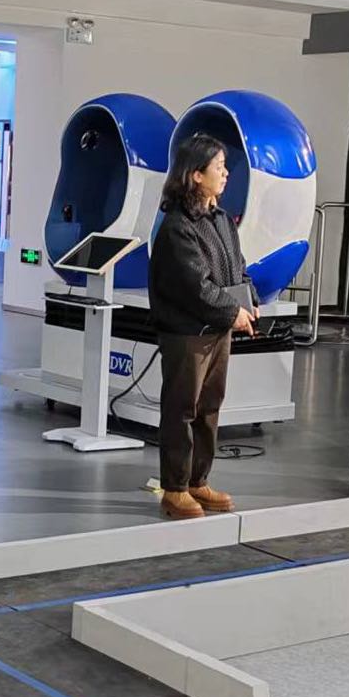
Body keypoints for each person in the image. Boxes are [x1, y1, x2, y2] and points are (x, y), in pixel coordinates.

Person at [149, 134, 259, 519]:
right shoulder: (178, 226)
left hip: (218, 330)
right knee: (181, 409)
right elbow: (195, 285)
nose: (226, 173)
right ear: (196, 174)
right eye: (218, 167)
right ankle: (175, 489)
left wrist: (249, 300)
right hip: (187, 334)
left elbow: (237, 268)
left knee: (209, 409)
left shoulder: (222, 220)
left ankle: (198, 481)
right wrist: (233, 312)